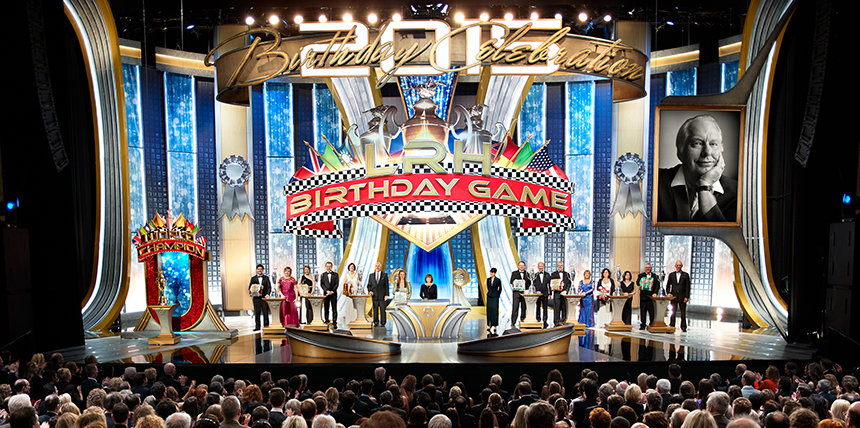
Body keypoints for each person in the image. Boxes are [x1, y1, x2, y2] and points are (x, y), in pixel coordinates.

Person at [657, 114, 738, 222]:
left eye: (713, 144)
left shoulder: (737, 192)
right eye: (697, 143)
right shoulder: (655, 181)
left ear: (721, 149)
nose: (707, 152)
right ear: (681, 150)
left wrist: (704, 186)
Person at [666, 260, 690, 332]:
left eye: (680, 265)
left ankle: (683, 326)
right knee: (673, 312)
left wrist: (687, 297)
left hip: (682, 296)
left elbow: (688, 287)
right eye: (677, 265)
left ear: (682, 266)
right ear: (675, 266)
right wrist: (668, 293)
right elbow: (668, 285)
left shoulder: (686, 275)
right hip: (674, 296)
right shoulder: (671, 275)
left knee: (683, 313)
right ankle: (672, 325)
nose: (678, 266)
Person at [637, 264, 660, 330]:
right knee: (643, 311)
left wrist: (655, 293)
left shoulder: (655, 276)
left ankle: (652, 324)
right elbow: (637, 283)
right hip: (643, 297)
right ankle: (643, 324)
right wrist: (642, 281)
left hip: (651, 297)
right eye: (646, 267)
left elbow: (657, 285)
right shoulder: (641, 275)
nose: (648, 269)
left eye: (649, 267)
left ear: (651, 268)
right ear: (645, 268)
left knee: (652, 311)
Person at [249, 264, 272, 331]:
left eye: (261, 269)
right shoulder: (253, 278)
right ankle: (257, 327)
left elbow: (269, 287)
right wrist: (258, 287)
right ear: (256, 270)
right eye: (258, 269)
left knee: (265, 312)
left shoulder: (266, 278)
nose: (260, 270)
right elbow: (250, 288)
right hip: (256, 298)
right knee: (257, 313)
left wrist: (268, 294)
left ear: (263, 270)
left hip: (264, 298)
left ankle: (266, 326)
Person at [367, 262, 389, 327]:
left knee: (383, 309)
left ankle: (383, 322)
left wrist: (386, 295)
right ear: (375, 267)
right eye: (376, 266)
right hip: (374, 296)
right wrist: (370, 291)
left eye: (378, 266)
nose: (377, 267)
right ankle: (375, 322)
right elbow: (369, 285)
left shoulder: (384, 275)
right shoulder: (371, 275)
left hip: (382, 296)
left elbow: (386, 285)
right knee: (375, 309)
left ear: (380, 267)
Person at [510, 261, 531, 328]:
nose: (521, 267)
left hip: (524, 293)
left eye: (522, 265)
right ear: (518, 266)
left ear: (524, 266)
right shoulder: (514, 273)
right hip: (516, 293)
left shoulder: (527, 274)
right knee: (515, 308)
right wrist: (516, 283)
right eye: (520, 265)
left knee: (524, 307)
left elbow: (529, 283)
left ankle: (522, 320)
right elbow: (511, 281)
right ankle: (513, 322)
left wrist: (526, 288)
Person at [320, 262, 339, 329]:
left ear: (332, 267)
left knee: (334, 308)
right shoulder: (323, 275)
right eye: (327, 266)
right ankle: (326, 320)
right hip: (326, 294)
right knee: (326, 308)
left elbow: (337, 284)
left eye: (330, 266)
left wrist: (332, 291)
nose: (328, 267)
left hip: (334, 294)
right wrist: (327, 291)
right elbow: (322, 284)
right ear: (325, 267)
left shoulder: (336, 275)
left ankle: (334, 322)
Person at [533, 262, 551, 328]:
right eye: (539, 266)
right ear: (538, 267)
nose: (540, 267)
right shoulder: (535, 275)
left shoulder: (548, 274)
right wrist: (536, 291)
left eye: (541, 266)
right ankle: (538, 319)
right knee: (538, 307)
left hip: (545, 294)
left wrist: (550, 294)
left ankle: (545, 321)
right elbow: (533, 284)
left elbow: (550, 285)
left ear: (544, 267)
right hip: (538, 294)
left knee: (545, 308)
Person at [486, 268, 502, 334]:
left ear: (495, 273)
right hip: (489, 296)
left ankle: (495, 325)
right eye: (491, 272)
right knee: (489, 310)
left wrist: (497, 295)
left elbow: (500, 288)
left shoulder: (498, 280)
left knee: (495, 310)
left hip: (495, 297)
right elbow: (488, 287)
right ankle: (489, 325)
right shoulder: (488, 279)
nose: (491, 273)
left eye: (492, 272)